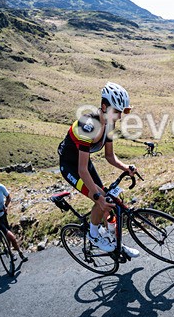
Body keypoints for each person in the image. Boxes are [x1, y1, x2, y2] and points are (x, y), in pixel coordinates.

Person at [57, 82, 139, 255]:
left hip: (85, 165)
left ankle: (116, 244)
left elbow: (109, 156)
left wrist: (126, 168)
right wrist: (96, 196)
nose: (119, 116)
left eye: (121, 112)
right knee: (101, 199)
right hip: (71, 167)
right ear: (104, 106)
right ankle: (94, 235)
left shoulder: (109, 123)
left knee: (109, 203)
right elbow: (81, 170)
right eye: (116, 111)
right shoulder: (88, 126)